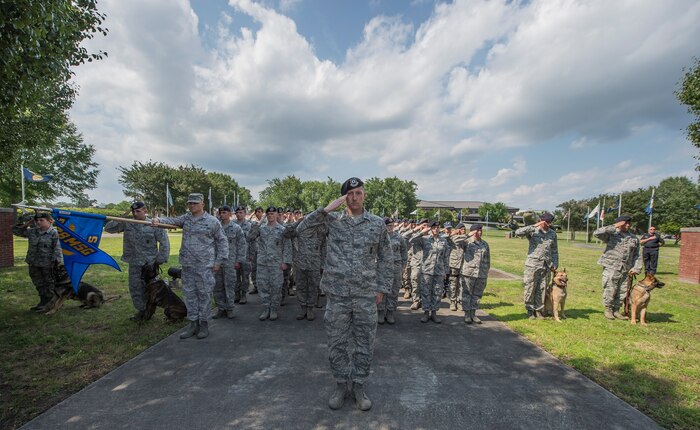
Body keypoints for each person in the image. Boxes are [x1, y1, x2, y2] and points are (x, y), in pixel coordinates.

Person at [298, 177, 392, 411]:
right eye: (349, 194)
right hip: (337, 295)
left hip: (365, 295)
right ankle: (341, 385)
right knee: (337, 344)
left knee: (365, 344)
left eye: (359, 193)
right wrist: (326, 209)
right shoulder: (332, 221)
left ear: (364, 195)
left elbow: (386, 256)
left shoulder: (377, 223)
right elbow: (301, 230)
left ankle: (358, 386)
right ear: (343, 198)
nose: (355, 197)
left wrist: (382, 287)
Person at [154, 193, 228, 339]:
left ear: (202, 204)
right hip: (187, 265)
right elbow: (172, 220)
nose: (192, 206)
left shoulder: (212, 221)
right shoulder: (186, 219)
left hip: (205, 266)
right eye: (190, 203)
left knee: (204, 295)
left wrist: (219, 262)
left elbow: (222, 242)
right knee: (189, 295)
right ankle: (193, 323)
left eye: (195, 203)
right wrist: (158, 219)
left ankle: (204, 323)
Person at [104, 201, 170, 321]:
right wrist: (123, 216)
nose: (135, 213)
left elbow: (164, 242)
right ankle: (142, 311)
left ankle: (155, 309)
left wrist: (161, 259)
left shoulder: (153, 224)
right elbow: (108, 228)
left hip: (149, 264)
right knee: (135, 287)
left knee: (153, 288)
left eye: (138, 211)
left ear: (145, 211)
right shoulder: (128, 223)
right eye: (133, 211)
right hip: (134, 262)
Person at [593, 215, 642, 320]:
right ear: (620, 224)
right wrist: (614, 226)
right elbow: (597, 233)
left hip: (626, 268)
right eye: (626, 223)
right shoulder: (612, 234)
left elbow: (637, 255)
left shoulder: (634, 238)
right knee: (610, 288)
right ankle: (608, 310)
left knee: (622, 290)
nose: (628, 225)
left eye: (629, 223)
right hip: (612, 266)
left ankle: (616, 310)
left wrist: (636, 268)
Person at [13, 212, 64, 312]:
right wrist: (29, 222)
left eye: (42, 220)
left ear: (50, 221)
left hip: (48, 264)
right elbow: (15, 231)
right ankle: (43, 302)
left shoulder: (55, 233)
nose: (38, 222)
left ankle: (53, 304)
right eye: (37, 220)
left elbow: (57, 250)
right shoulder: (33, 231)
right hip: (33, 263)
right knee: (39, 283)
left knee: (50, 284)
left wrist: (55, 265)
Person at [248, 207, 291, 321]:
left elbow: (287, 247)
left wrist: (286, 262)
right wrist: (260, 221)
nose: (270, 216)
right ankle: (266, 308)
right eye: (268, 214)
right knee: (263, 287)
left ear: (277, 214)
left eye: (272, 214)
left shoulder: (282, 229)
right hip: (262, 263)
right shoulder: (261, 229)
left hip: (276, 264)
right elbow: (250, 237)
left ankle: (274, 309)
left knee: (276, 287)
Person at [515, 212, 559, 320]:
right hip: (532, 265)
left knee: (542, 288)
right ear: (541, 220)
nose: (548, 224)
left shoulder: (552, 234)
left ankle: (539, 310)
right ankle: (530, 310)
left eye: (550, 222)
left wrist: (555, 263)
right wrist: (534, 226)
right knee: (530, 287)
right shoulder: (533, 231)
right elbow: (518, 232)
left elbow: (554, 250)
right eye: (546, 222)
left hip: (546, 265)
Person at [285, 210, 325, 321]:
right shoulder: (300, 228)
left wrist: (323, 262)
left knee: (313, 285)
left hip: (314, 262)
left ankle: (310, 308)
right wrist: (297, 222)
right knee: (301, 286)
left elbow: (324, 246)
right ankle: (303, 307)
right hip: (300, 262)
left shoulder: (321, 228)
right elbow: (286, 233)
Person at [408, 221, 450, 323]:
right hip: (427, 270)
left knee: (437, 292)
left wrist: (446, 271)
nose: (436, 229)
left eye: (437, 227)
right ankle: (426, 313)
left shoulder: (443, 241)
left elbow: (446, 257)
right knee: (426, 292)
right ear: (430, 229)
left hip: (439, 271)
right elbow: (411, 240)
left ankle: (434, 313)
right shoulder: (425, 239)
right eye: (433, 227)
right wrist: (422, 232)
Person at [212, 206, 247, 319]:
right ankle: (220, 308)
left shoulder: (236, 228)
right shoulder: (216, 227)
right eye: (220, 213)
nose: (221, 215)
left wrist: (239, 260)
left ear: (230, 214)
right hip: (217, 261)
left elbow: (242, 245)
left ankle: (230, 309)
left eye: (224, 212)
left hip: (230, 262)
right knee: (218, 286)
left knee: (230, 285)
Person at [377, 217, 407, 324]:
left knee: (394, 291)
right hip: (382, 268)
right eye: (388, 225)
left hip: (395, 267)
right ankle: (380, 312)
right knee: (381, 290)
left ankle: (390, 312)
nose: (390, 227)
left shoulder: (399, 237)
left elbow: (404, 252)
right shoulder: (379, 237)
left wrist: (403, 266)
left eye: (391, 225)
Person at [460, 224, 490, 324]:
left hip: (481, 273)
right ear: (473, 231)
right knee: (467, 293)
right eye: (477, 230)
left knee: (477, 295)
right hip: (469, 272)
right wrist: (468, 235)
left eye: (481, 230)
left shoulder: (485, 244)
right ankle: (467, 314)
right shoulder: (466, 242)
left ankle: (473, 313)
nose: (479, 232)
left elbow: (488, 259)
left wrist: (486, 271)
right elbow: (455, 241)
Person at [234, 206, 253, 304]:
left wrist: (251, 254)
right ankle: (236, 294)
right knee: (235, 276)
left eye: (241, 212)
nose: (238, 214)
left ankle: (243, 295)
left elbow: (252, 241)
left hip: (245, 254)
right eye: (237, 212)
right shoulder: (232, 224)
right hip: (234, 255)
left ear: (245, 214)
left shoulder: (249, 225)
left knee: (245, 276)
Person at [445, 223, 466, 311]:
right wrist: (453, 233)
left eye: (464, 229)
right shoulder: (452, 239)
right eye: (461, 229)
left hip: (464, 265)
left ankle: (460, 301)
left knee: (462, 284)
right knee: (453, 283)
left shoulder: (467, 239)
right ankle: (453, 301)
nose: (463, 231)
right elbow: (445, 237)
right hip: (454, 264)